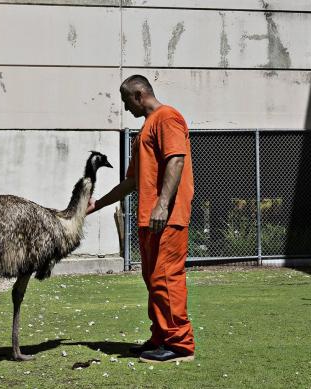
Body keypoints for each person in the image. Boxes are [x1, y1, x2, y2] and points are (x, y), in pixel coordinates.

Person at [87, 75, 195, 363]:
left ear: (138, 95)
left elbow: (176, 158)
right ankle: (161, 336)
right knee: (153, 279)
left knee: (166, 277)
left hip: (167, 216)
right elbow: (131, 181)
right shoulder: (145, 129)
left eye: (126, 102)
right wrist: (96, 204)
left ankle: (180, 344)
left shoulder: (167, 117)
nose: (125, 109)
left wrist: (162, 204)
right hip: (151, 219)